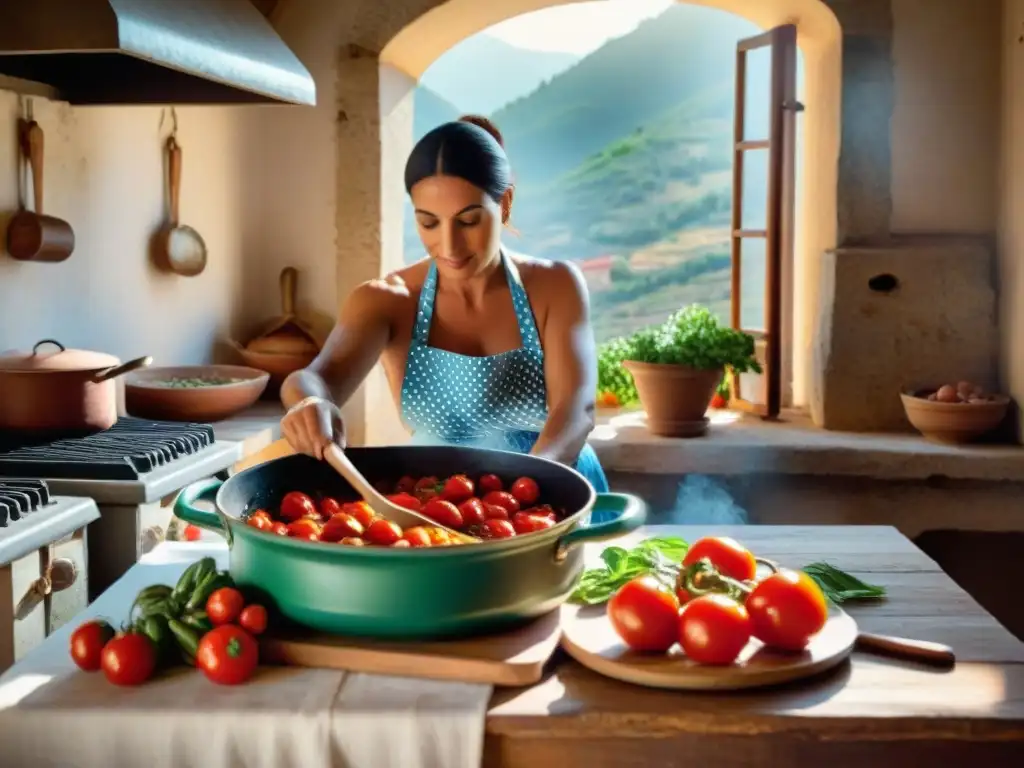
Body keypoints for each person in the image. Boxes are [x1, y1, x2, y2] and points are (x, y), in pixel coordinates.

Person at [279, 115, 609, 492]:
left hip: (555, 491)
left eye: (468, 221)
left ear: (504, 203)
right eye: (429, 223)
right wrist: (307, 403)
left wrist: (525, 491)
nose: (449, 247)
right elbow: (313, 377)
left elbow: (576, 411)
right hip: (442, 500)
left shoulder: (555, 286)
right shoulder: (388, 300)